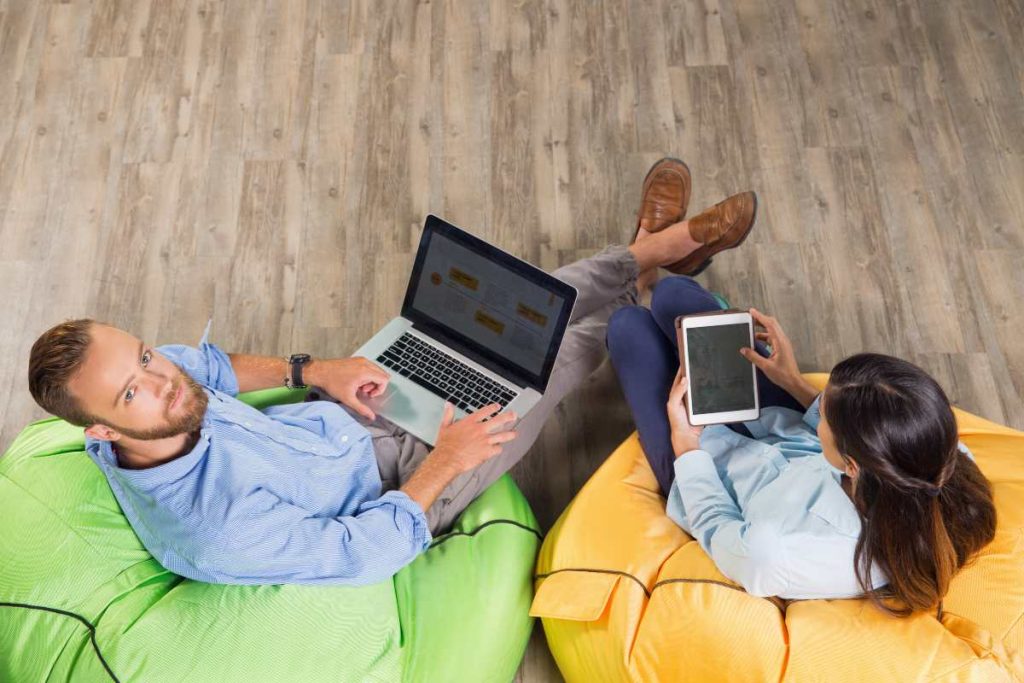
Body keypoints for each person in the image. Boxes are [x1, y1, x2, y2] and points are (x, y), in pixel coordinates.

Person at [25, 158, 757, 586]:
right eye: (133, 390)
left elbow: (206, 364)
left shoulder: (166, 385)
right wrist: (445, 462)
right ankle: (649, 271)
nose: (164, 380)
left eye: (145, 356)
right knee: (554, 359)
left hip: (350, 410)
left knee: (517, 313)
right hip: (399, 485)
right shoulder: (212, 530)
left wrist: (318, 370)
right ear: (100, 430)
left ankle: (649, 253)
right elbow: (361, 553)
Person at [606, 233, 998, 616]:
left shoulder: (778, 550)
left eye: (826, 410)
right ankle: (686, 320)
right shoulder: (940, 461)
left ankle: (652, 289)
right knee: (672, 294)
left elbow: (715, 522)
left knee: (628, 326)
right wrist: (791, 380)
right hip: (780, 429)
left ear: (852, 465)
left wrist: (686, 446)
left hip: (714, 473)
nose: (819, 401)